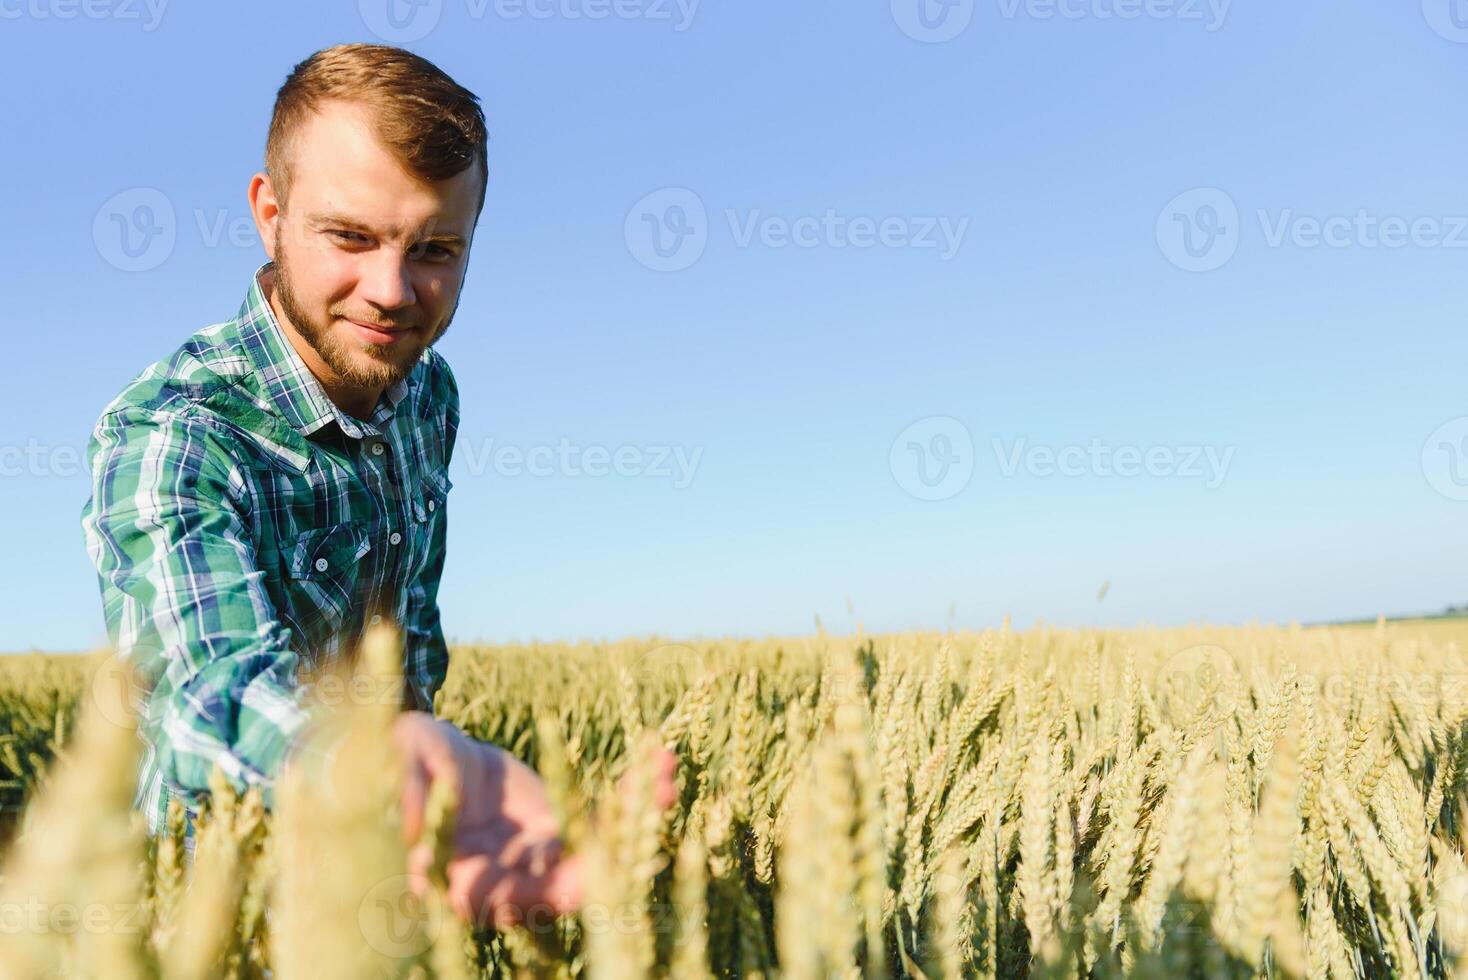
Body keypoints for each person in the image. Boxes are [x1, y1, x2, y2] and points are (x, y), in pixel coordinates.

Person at [79, 42, 672, 929]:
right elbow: (207, 687)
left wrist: (431, 771)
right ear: (269, 213)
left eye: (435, 248)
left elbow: (409, 642)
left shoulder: (430, 394)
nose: (392, 292)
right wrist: (365, 776)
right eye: (350, 236)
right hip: (216, 918)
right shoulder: (175, 432)